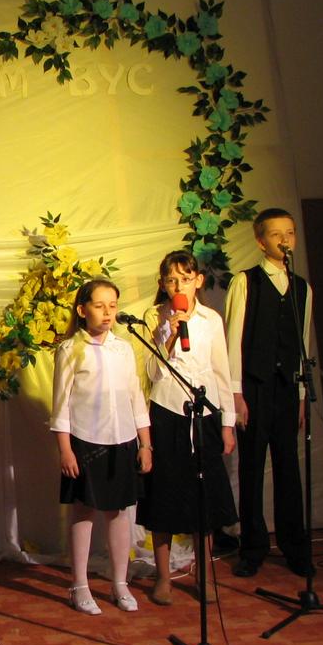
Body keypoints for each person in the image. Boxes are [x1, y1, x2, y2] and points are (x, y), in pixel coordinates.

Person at [136, 251, 237, 606]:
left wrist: (227, 422)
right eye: (171, 280)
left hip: (203, 413)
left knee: (203, 496)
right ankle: (163, 577)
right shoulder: (154, 316)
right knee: (163, 494)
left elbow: (221, 371)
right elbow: (152, 372)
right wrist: (169, 334)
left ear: (198, 281)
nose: (179, 285)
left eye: (185, 278)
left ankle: (203, 573)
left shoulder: (211, 320)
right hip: (166, 413)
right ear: (163, 284)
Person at [52, 279, 152, 615]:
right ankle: (79, 585)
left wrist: (145, 443)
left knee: (119, 512)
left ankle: (120, 583)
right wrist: (65, 449)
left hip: (122, 439)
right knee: (83, 510)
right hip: (85, 440)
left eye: (113, 305)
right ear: (82, 310)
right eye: (99, 305)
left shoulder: (123, 348)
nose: (108, 312)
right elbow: (60, 405)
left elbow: (136, 397)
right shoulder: (70, 349)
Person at [225, 208, 313, 578]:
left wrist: (302, 396)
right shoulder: (246, 282)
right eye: (276, 234)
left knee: (289, 467)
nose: (284, 240)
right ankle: (253, 546)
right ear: (261, 241)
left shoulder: (302, 287)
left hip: (287, 389)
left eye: (289, 233)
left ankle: (295, 545)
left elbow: (303, 344)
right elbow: (233, 340)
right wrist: (236, 393)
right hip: (255, 387)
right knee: (251, 468)